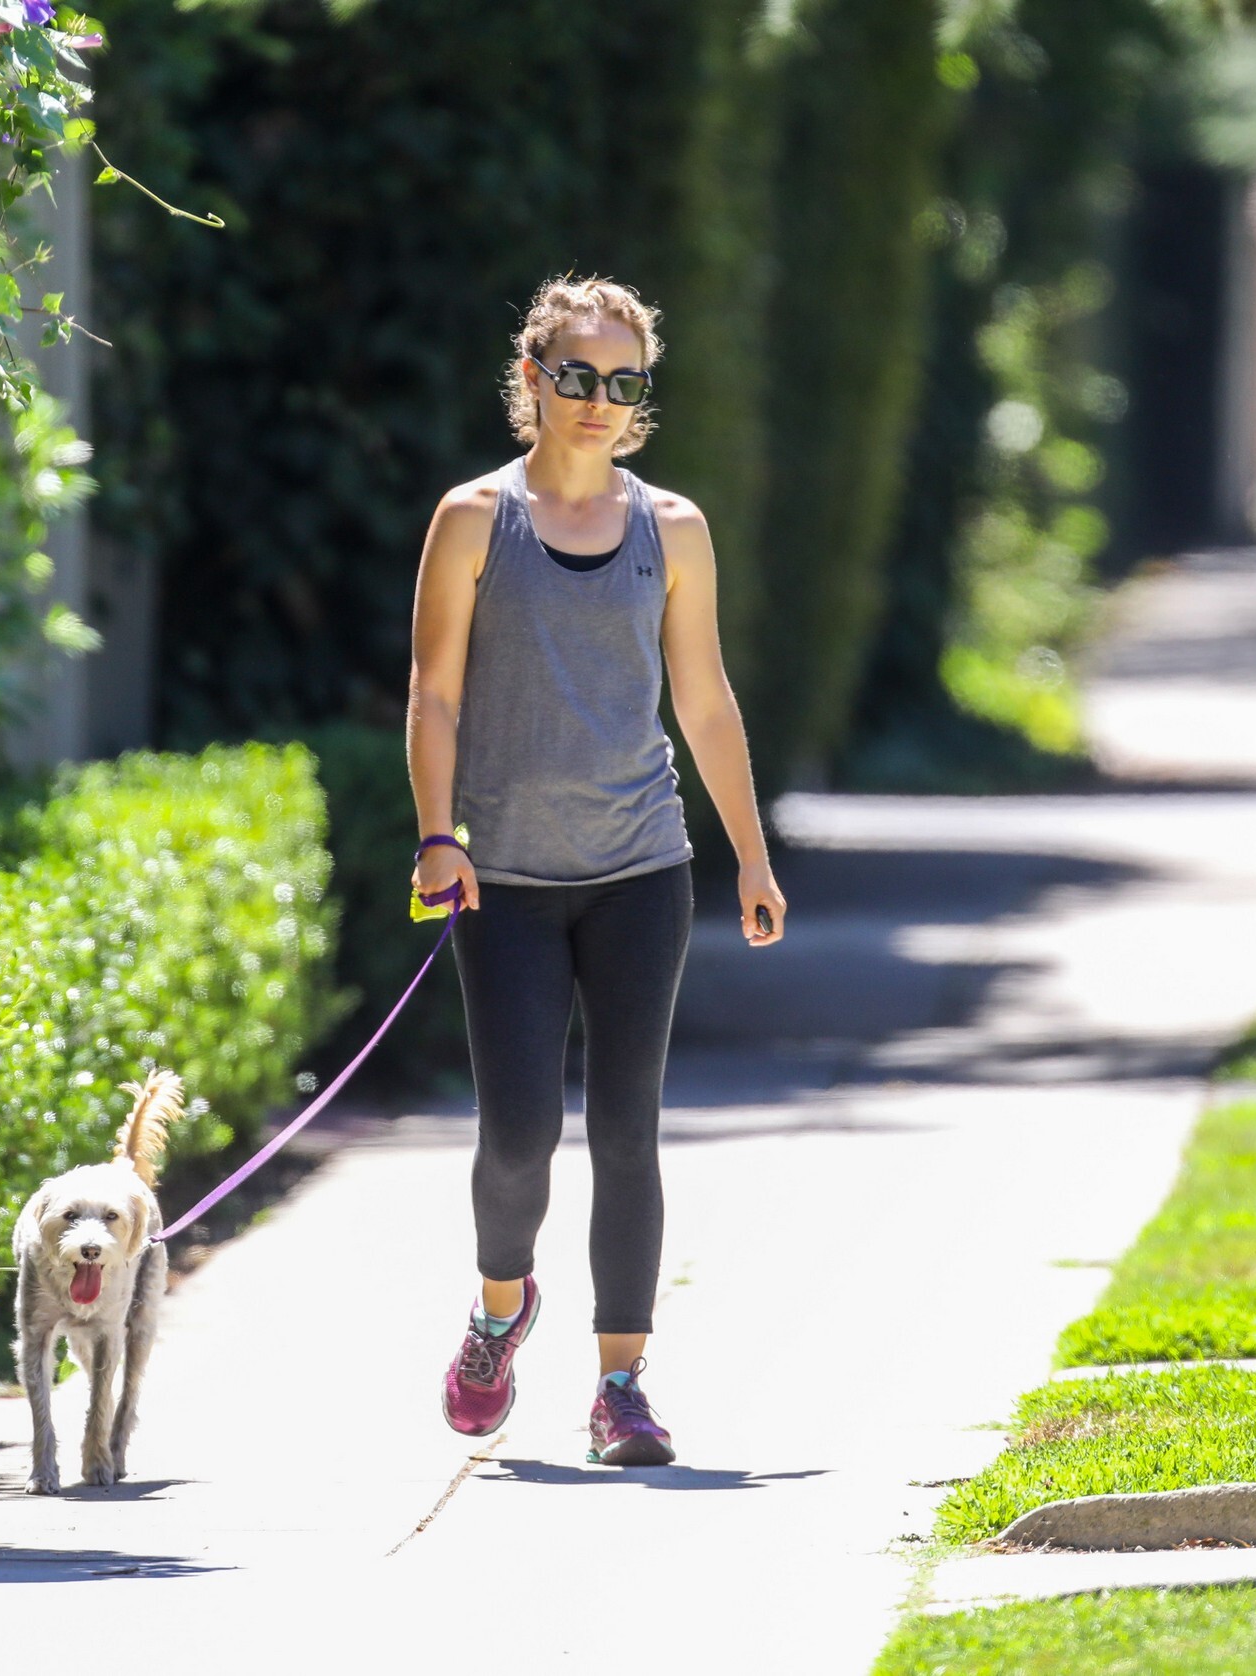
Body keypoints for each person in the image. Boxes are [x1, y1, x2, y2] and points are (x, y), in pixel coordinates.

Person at [407, 275, 786, 1466]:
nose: (600, 402)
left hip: (640, 869)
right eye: (578, 377)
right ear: (533, 380)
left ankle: (620, 1385)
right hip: (503, 880)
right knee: (517, 1133)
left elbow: (705, 699)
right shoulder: (475, 519)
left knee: (628, 1130)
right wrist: (436, 829)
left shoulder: (672, 528)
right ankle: (497, 1307)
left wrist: (749, 857)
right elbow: (434, 691)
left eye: (625, 384)